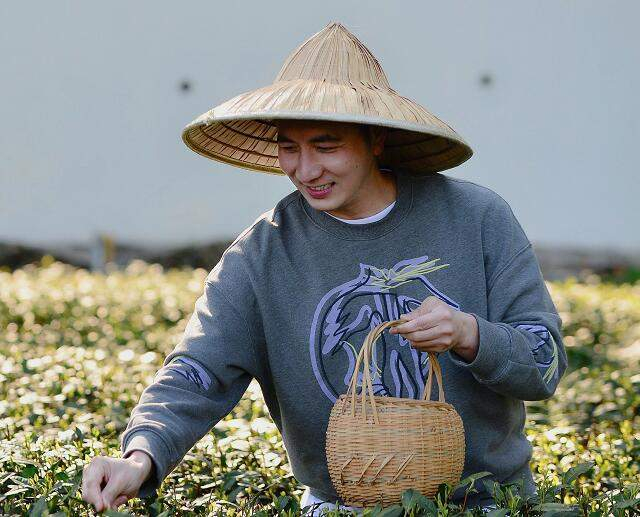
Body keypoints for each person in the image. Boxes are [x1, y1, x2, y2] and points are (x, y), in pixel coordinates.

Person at [81, 22, 567, 514]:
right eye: (289, 147)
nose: (305, 170)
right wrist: (140, 455)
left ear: (376, 140)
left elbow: (544, 363)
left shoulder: (477, 219)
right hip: (337, 505)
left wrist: (469, 334)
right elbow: (198, 369)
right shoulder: (262, 252)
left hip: (486, 502)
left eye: (326, 146)